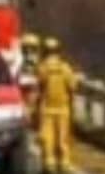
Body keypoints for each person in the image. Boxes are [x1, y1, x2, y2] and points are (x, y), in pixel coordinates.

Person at [36, 37, 77, 174]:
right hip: (63, 109)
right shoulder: (65, 68)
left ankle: (49, 163)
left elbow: (38, 88)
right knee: (63, 138)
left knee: (48, 139)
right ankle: (64, 163)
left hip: (47, 108)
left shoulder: (42, 68)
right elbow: (73, 86)